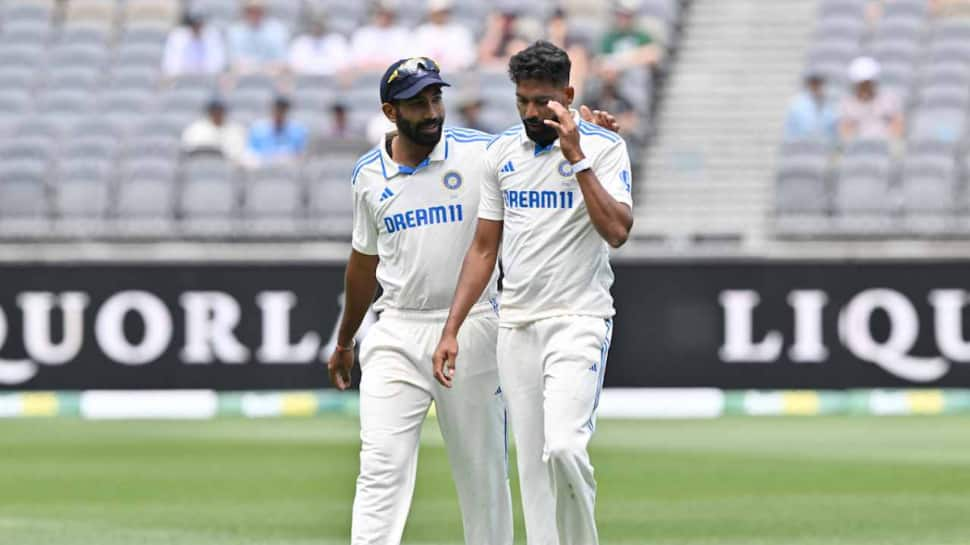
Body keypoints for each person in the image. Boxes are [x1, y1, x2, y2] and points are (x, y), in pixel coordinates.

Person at [327, 56, 619, 545]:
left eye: (436, 98)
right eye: (417, 104)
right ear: (388, 111)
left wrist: (588, 132)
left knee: (483, 476)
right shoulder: (367, 176)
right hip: (396, 326)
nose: (432, 111)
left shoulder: (479, 152)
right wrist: (345, 339)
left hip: (473, 327)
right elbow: (362, 263)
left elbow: (535, 143)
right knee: (379, 467)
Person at [433, 41, 633, 545]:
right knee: (533, 473)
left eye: (543, 101)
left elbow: (617, 231)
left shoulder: (606, 148)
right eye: (522, 100)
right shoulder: (502, 154)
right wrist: (452, 328)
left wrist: (578, 158)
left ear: (567, 94)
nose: (531, 112)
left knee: (564, 448)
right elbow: (483, 249)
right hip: (515, 326)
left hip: (578, 318)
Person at [839, 56, 904, 142]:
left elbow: (898, 126)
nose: (865, 88)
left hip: (885, 147)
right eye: (861, 84)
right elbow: (845, 131)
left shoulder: (889, 99)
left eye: (868, 83)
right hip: (857, 149)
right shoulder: (847, 103)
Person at [181, 98, 249, 165]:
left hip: (227, 169)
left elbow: (239, 155)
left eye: (220, 110)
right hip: (199, 168)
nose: (217, 113)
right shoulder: (195, 130)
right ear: (209, 111)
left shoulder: (236, 130)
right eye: (214, 110)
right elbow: (189, 152)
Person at [227, 0, 289, 74]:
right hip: (243, 77)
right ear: (244, 11)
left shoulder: (277, 30)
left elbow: (281, 62)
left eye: (258, 10)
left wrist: (261, 69)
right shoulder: (235, 30)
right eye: (251, 11)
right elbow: (234, 63)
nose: (254, 14)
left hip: (272, 77)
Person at [414, 0, 476, 71]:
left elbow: (468, 58)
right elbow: (416, 59)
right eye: (437, 13)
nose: (440, 16)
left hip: (454, 75)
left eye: (443, 12)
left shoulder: (460, 32)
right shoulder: (422, 32)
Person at [350, 1, 412, 71]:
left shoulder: (402, 34)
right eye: (380, 13)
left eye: (387, 14)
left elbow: (406, 61)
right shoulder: (362, 34)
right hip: (365, 74)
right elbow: (355, 61)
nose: (383, 17)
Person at [162, 11, 226, 77]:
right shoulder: (177, 36)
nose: (197, 27)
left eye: (200, 24)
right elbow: (170, 64)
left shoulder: (213, 36)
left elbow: (218, 65)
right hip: (182, 77)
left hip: (206, 77)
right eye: (194, 25)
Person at [247, 96, 308, 165]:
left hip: (289, 168)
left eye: (282, 111)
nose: (279, 114)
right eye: (277, 110)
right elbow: (251, 153)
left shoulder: (298, 130)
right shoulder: (257, 129)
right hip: (262, 168)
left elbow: (301, 154)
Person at [784, 72, 838, 142]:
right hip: (802, 149)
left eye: (819, 83)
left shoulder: (831, 105)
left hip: (826, 149)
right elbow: (789, 133)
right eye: (814, 83)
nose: (817, 86)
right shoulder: (797, 105)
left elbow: (834, 133)